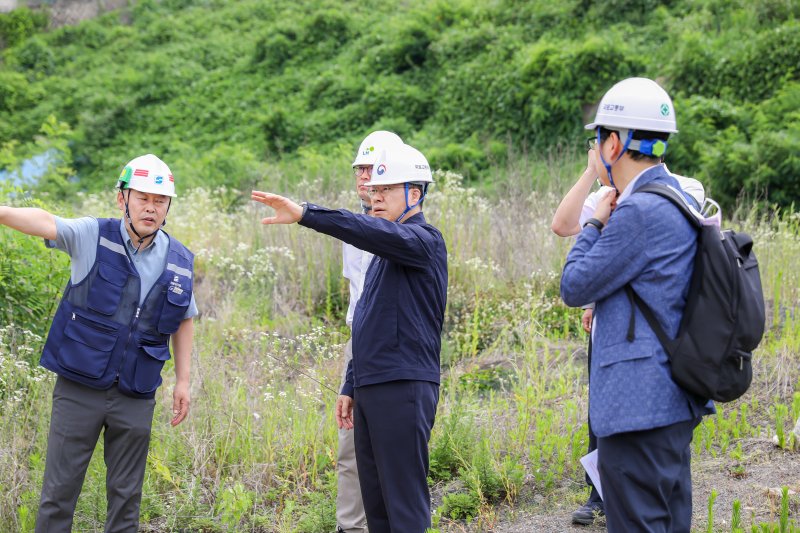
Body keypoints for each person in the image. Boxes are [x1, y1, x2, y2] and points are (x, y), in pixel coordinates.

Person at [252, 143, 447, 533]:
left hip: (403, 385)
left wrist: (306, 213)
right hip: (372, 386)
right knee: (376, 508)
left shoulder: (423, 241)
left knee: (403, 508)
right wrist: (350, 383)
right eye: (373, 191)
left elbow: (364, 230)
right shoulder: (383, 255)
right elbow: (366, 322)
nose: (375, 199)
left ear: (415, 193)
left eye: (386, 191)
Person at [0, 153, 198, 532]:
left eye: (160, 201)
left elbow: (185, 318)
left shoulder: (180, 260)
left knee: (126, 501)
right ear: (122, 198)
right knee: (58, 495)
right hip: (79, 388)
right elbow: (45, 221)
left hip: (136, 394)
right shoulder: (93, 234)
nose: (151, 208)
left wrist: (184, 380)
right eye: (142, 198)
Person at [560, 77, 714, 532]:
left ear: (613, 143)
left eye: (597, 139)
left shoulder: (638, 210)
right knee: (668, 521)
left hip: (637, 409)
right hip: (671, 399)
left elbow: (574, 285)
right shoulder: (678, 197)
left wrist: (594, 225)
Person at [337, 130, 403, 533]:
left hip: (393, 348)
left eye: (373, 169)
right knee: (350, 444)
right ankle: (351, 526)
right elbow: (355, 293)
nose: (364, 178)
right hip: (358, 342)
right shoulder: (354, 225)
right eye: (360, 169)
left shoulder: (407, 229)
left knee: (392, 448)